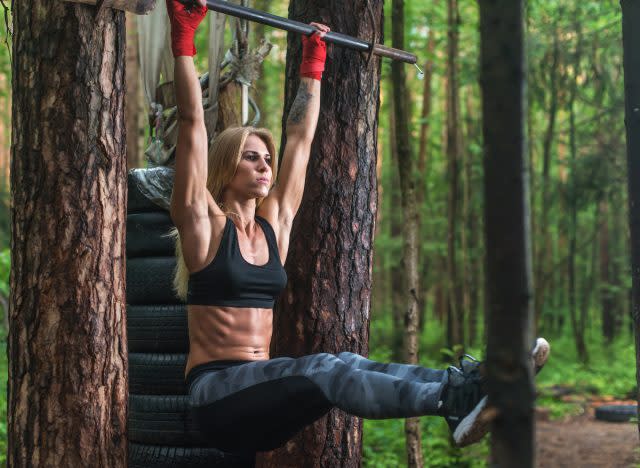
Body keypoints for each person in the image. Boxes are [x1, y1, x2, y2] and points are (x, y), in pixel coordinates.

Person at [166, 0, 551, 453]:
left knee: (344, 361)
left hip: (261, 400)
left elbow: (300, 140)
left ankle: (473, 385)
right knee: (327, 367)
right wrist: (184, 40)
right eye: (252, 157)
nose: (266, 165)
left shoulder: (274, 228)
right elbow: (193, 124)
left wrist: (314, 65)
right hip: (218, 397)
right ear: (227, 166)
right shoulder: (205, 227)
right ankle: (450, 399)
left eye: (267, 158)